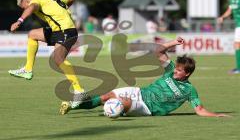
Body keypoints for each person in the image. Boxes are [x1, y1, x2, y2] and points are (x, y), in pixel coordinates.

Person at [60, 37, 229, 117]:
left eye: (179, 70)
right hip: (140, 92)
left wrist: (216, 115)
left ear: (187, 73)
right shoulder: (170, 69)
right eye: (176, 68)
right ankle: (74, 106)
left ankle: (115, 112)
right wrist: (174, 43)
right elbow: (158, 51)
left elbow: (199, 110)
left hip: (147, 108)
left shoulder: (189, 90)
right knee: (106, 96)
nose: (175, 71)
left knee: (121, 103)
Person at [9, 0, 84, 107]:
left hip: (65, 31)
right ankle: (28, 70)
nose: (25, 9)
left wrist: (20, 21)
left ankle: (79, 91)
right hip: (59, 30)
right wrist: (63, 11)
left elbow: (32, 6)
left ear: (26, 2)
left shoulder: (36, 1)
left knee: (58, 59)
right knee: (32, 34)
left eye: (23, 7)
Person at [218, 0, 240, 74]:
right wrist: (222, 17)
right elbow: (229, 11)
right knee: (237, 45)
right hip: (238, 26)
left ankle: (238, 68)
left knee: (237, 45)